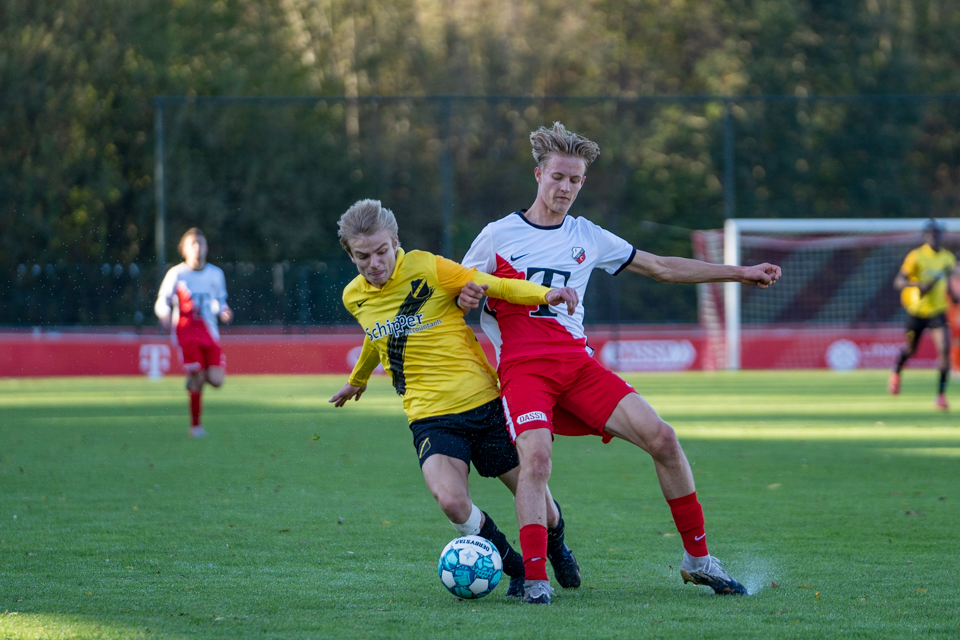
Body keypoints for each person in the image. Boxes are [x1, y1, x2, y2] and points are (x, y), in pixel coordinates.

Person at [458, 122, 781, 604]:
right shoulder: (497, 236)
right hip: (524, 368)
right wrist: (466, 295)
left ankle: (699, 562)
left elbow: (663, 267)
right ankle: (535, 579)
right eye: (558, 177)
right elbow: (458, 293)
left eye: (576, 180)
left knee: (664, 438)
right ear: (538, 174)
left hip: (578, 365)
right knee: (537, 459)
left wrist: (740, 273)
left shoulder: (587, 236)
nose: (565, 187)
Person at [327, 199, 582, 598]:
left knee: (539, 503)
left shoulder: (429, 267)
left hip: (484, 404)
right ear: (351, 255)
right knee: (450, 501)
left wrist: (545, 294)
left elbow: (497, 284)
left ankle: (558, 544)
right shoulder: (353, 297)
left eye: (381, 251)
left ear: (396, 242)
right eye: (363, 256)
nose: (374, 263)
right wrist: (357, 379)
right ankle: (515, 566)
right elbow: (378, 335)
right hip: (430, 416)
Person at [154, 228, 232, 437]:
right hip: (186, 331)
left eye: (201, 243)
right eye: (193, 244)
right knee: (198, 375)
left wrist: (223, 311)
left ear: (207, 248)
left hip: (209, 332)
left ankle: (193, 379)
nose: (198, 248)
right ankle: (195, 426)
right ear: (184, 249)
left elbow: (218, 301)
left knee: (216, 380)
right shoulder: (177, 274)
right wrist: (164, 313)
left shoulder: (216, 273)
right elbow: (163, 300)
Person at [888, 219, 957, 409]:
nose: (935, 237)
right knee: (911, 350)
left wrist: (955, 297)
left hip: (937, 310)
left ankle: (941, 395)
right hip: (917, 311)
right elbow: (898, 282)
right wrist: (919, 285)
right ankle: (896, 373)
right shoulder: (916, 257)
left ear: (942, 236)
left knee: (944, 349)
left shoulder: (948, 258)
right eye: (931, 234)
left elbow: (949, 283)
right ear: (926, 236)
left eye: (938, 234)